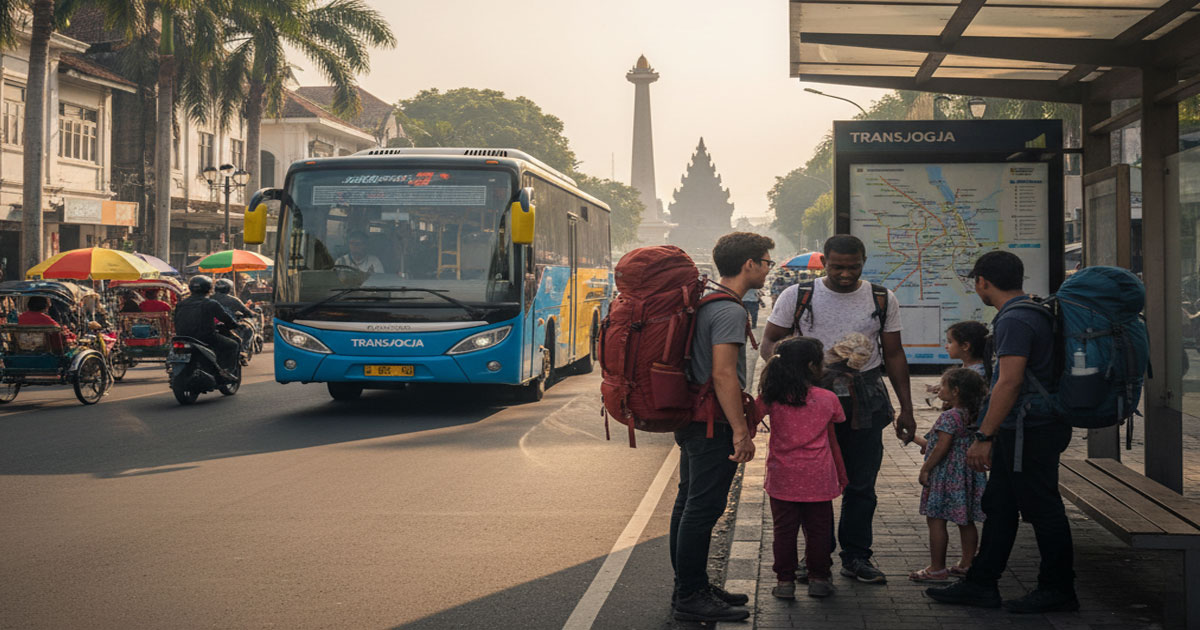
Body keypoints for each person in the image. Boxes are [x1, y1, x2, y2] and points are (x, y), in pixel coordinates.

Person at [927, 251, 1078, 613]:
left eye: (974, 282)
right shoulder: (1031, 310)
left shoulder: (1015, 320)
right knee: (1001, 505)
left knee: (1043, 509)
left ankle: (1058, 588)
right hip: (1029, 426)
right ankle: (982, 583)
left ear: (983, 282)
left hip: (1031, 430)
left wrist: (984, 436)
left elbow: (1008, 382)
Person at [760, 234, 916, 584]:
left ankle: (857, 557)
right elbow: (769, 341)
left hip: (865, 403)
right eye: (837, 267)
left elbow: (893, 354)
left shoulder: (881, 298)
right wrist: (794, 371)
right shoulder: (798, 296)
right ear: (824, 263)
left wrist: (906, 408)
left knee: (861, 485)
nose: (845, 274)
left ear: (864, 261)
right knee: (813, 487)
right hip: (809, 407)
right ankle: (816, 559)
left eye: (853, 266)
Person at [670, 231, 773, 623]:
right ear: (749, 264)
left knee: (688, 503)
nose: (767, 269)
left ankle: (691, 585)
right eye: (766, 262)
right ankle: (690, 594)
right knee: (703, 508)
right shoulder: (730, 310)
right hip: (711, 423)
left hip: (692, 418)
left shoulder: (706, 302)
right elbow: (724, 375)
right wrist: (741, 431)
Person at [757, 337, 846, 601]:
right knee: (818, 530)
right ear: (811, 365)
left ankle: (785, 582)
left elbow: (750, 416)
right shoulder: (828, 399)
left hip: (783, 477)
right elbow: (835, 432)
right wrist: (842, 474)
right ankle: (819, 578)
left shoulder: (771, 398)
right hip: (819, 478)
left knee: (784, 532)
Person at [910, 367, 988, 583]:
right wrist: (912, 438)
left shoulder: (949, 416)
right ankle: (967, 563)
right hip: (967, 475)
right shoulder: (973, 415)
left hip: (945, 476)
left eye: (942, 385)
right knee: (967, 520)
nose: (939, 389)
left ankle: (936, 568)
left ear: (955, 391)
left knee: (936, 519)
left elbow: (941, 447)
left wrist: (926, 469)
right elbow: (935, 444)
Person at [174, 275, 240, 380]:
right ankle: (226, 371)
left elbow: (176, 321)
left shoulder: (181, 304)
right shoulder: (210, 303)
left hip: (182, 337)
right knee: (233, 345)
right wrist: (234, 325)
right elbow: (225, 318)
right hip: (206, 337)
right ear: (209, 289)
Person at [925, 321, 991, 405]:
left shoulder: (976, 374)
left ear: (965, 346)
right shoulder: (970, 368)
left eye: (950, 342)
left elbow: (964, 402)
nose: (946, 346)